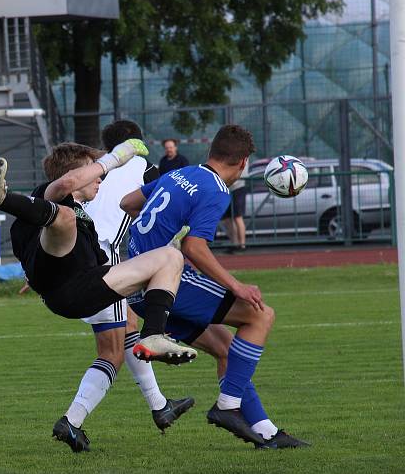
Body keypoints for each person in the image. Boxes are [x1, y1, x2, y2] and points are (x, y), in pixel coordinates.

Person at [0, 139, 196, 453]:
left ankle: (154, 336)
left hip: (80, 288)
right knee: (63, 217)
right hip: (64, 286)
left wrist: (144, 278)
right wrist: (116, 157)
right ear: (79, 175)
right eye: (94, 174)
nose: (101, 180)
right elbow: (64, 184)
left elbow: (98, 267)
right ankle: (1, 198)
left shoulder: (81, 216)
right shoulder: (51, 193)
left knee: (170, 258)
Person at [122, 125, 308, 447]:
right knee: (259, 315)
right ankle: (226, 407)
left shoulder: (179, 174)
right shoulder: (216, 189)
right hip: (165, 283)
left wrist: (165, 235)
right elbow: (195, 247)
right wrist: (237, 286)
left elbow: (127, 203)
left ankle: (266, 432)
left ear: (211, 151)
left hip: (138, 286)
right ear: (243, 162)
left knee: (225, 349)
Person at [74, 120, 196, 439]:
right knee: (111, 352)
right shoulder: (146, 168)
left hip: (77, 251)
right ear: (137, 143)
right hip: (103, 257)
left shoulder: (95, 169)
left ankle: (160, 406)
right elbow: (158, 212)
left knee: (126, 327)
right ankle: (71, 422)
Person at [222, 164, 249, 251]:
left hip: (238, 187)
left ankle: (242, 245)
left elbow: (241, 171)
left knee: (238, 217)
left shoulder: (242, 153)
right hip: (227, 188)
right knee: (226, 218)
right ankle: (235, 243)